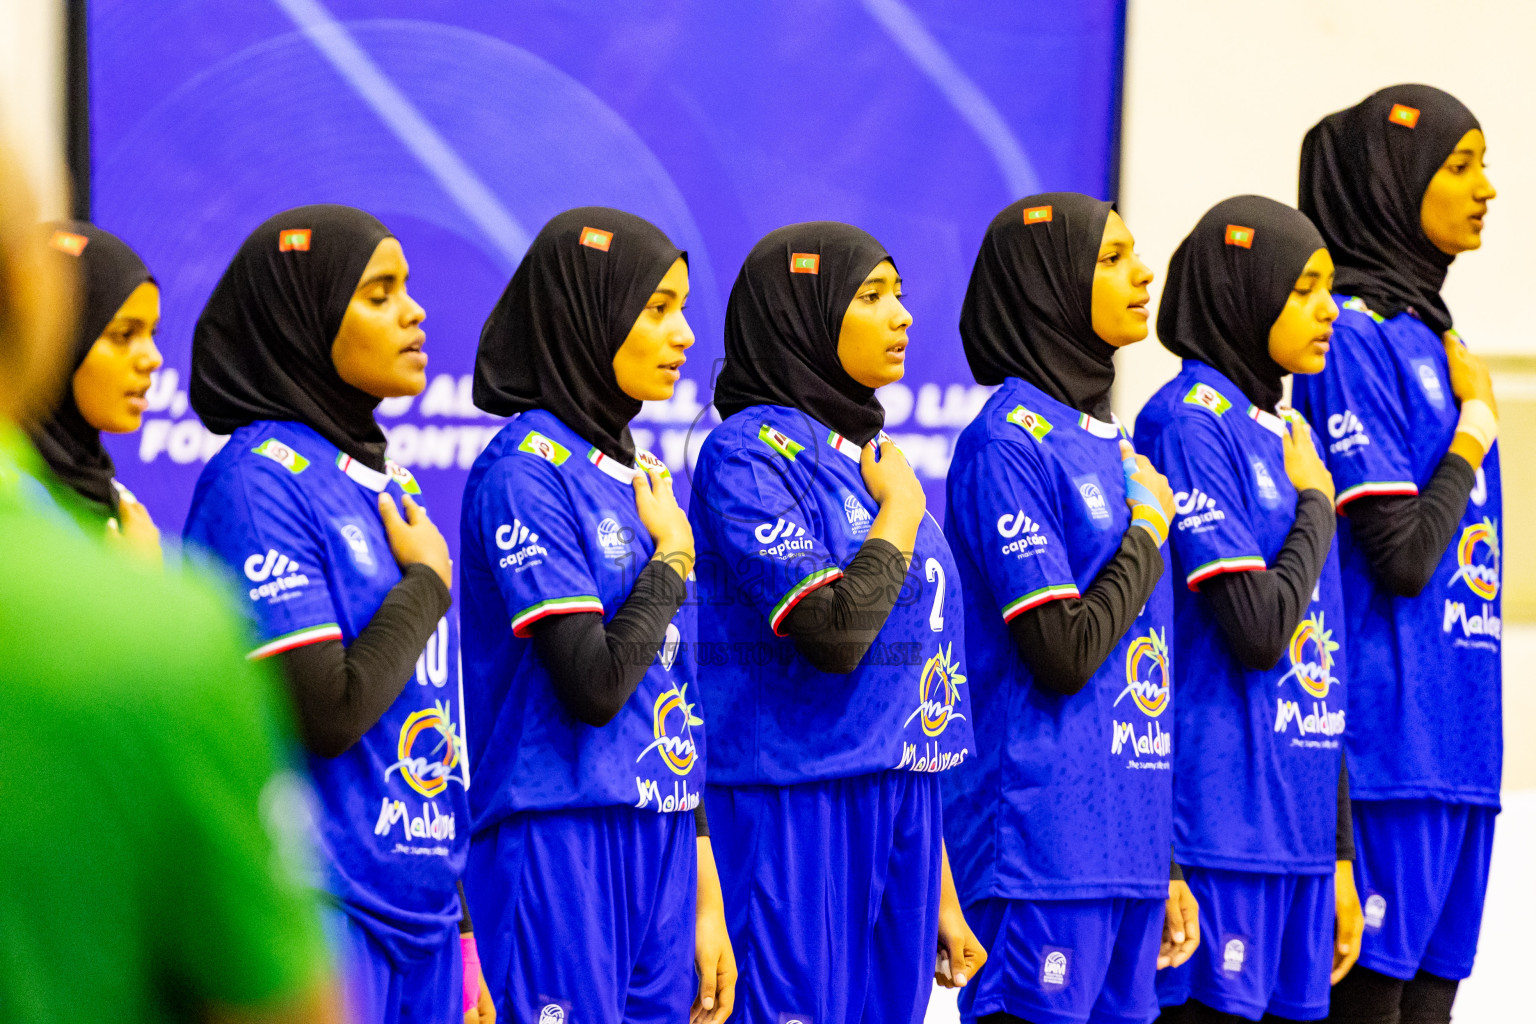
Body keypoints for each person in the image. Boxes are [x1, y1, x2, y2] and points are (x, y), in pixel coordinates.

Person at [0, 141, 340, 1024]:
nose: (153, 361)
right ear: (41, 320)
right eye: (120, 334)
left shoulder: (115, 526)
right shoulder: (151, 617)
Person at [182, 205, 490, 1023]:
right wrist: (427, 586)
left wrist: (459, 928)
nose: (415, 312)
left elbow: (427, 721)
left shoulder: (386, 484)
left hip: (419, 915)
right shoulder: (258, 480)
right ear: (305, 319)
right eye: (380, 293)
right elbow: (327, 709)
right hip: (325, 912)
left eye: (408, 290)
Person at [689, 221, 985, 1024]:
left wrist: (942, 886)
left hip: (901, 812)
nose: (902, 317)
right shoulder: (747, 453)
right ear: (805, 313)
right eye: (871, 296)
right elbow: (835, 636)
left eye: (901, 295)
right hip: (794, 804)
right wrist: (899, 510)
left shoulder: (872, 454)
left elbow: (913, 700)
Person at [459, 207, 734, 1024]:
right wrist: (673, 561)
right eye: (656, 310)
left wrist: (703, 873)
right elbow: (594, 682)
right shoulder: (523, 471)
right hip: (558, 833)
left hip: (661, 835)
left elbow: (674, 688)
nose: (684, 334)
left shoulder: (640, 474)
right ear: (590, 317)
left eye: (682, 307)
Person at [941, 193, 1192, 1024]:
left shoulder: (1109, 441)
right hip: (1039, 850)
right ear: (1049, 284)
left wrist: (1169, 859)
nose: (1142, 272)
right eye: (1113, 258)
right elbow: (1062, 651)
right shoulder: (1007, 440)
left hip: (1128, 850)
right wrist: (1147, 534)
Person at [1289, 85, 1500, 1024]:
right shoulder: (1352, 337)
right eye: (1460, 167)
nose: (1488, 188)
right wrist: (1474, 435)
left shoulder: (1435, 338)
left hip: (1463, 763)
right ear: (1391, 181)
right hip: (1386, 758)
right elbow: (1401, 559)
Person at [1135, 196, 1363, 1023]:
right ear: (1245, 291)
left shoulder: (1285, 431)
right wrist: (1313, 506)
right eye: (1304, 289)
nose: (1328, 310)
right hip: (1218, 837)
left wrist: (1337, 854)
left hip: (1296, 840)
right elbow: (1259, 630)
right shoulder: (1188, 423)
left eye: (1329, 288)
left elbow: (1318, 662)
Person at [26, 220, 163, 556]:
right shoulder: (14, 505)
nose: (153, 358)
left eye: (152, 334)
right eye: (123, 335)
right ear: (56, 342)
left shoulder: (114, 498)